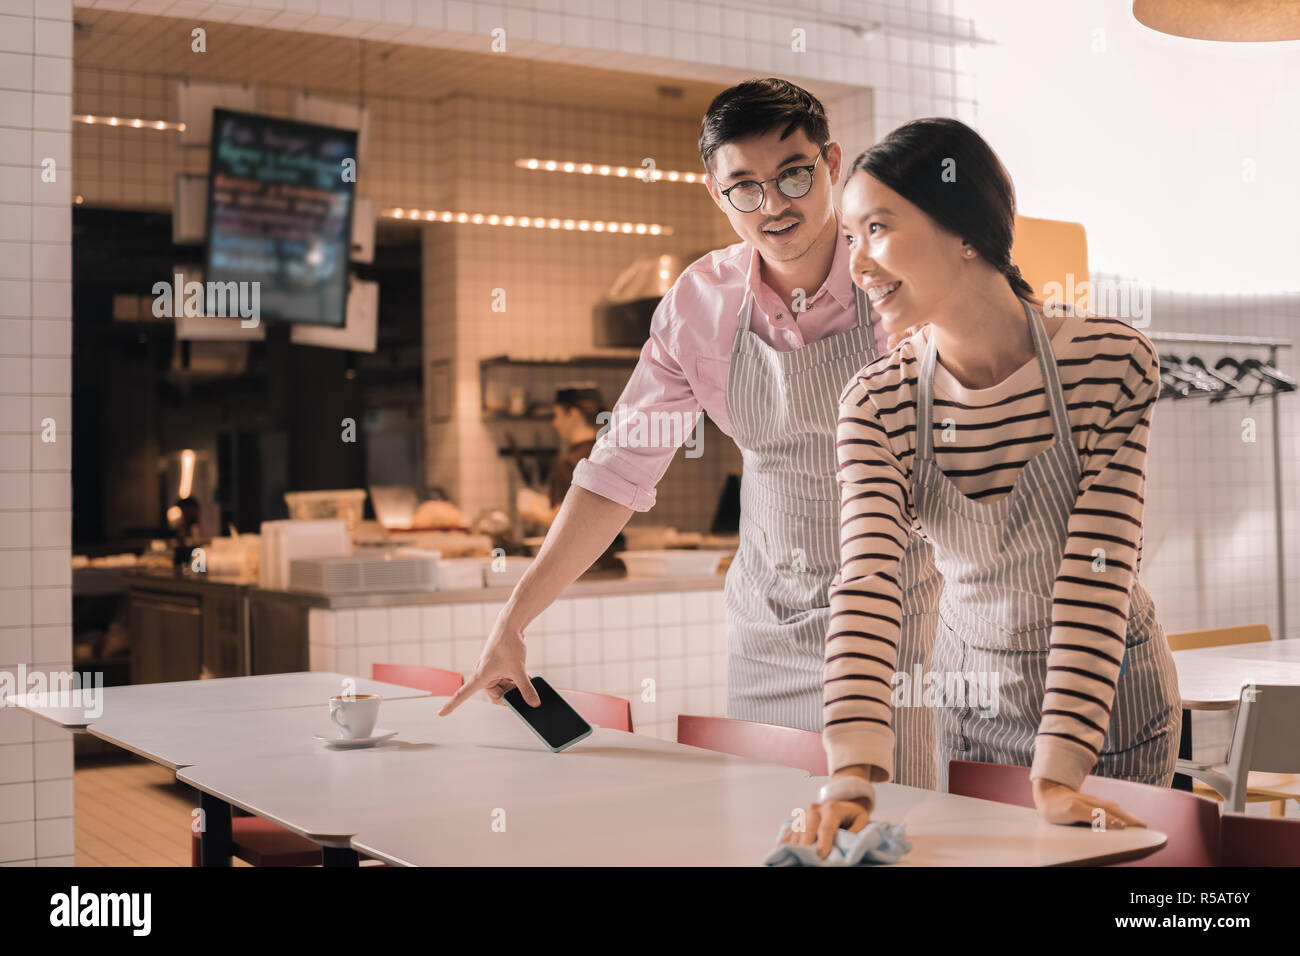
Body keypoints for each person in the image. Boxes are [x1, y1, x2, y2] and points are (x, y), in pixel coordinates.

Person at [440, 79, 945, 791]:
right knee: (772, 826)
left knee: (893, 831)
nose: (773, 204)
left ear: (832, 165)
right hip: (768, 629)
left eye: (793, 174)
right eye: (745, 186)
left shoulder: (900, 279)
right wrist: (512, 622)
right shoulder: (699, 305)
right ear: (715, 193)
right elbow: (616, 473)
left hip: (903, 616)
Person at [784, 117, 1181, 857]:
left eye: (877, 227)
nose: (857, 265)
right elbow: (869, 583)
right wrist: (849, 778)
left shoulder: (1111, 363)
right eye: (850, 239)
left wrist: (1060, 775)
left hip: (1111, 701)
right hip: (972, 698)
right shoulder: (877, 403)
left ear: (964, 229)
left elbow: (1097, 571)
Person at [516, 384, 625, 570]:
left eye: (557, 415)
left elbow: (563, 522)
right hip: (613, 557)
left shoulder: (568, 464)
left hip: (582, 564)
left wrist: (531, 511)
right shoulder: (611, 455)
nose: (555, 423)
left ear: (573, 415)